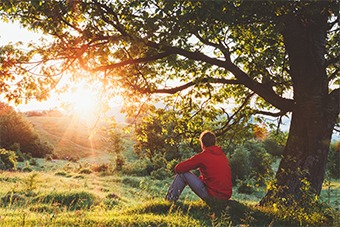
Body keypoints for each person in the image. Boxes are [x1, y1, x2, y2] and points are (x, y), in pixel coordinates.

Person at [165, 130, 232, 207]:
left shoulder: (203, 156)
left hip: (212, 196)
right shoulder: (222, 156)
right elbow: (214, 176)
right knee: (188, 176)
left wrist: (189, 180)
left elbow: (178, 168)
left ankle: (169, 201)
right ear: (214, 142)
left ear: (202, 144)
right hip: (225, 197)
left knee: (182, 174)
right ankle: (169, 201)